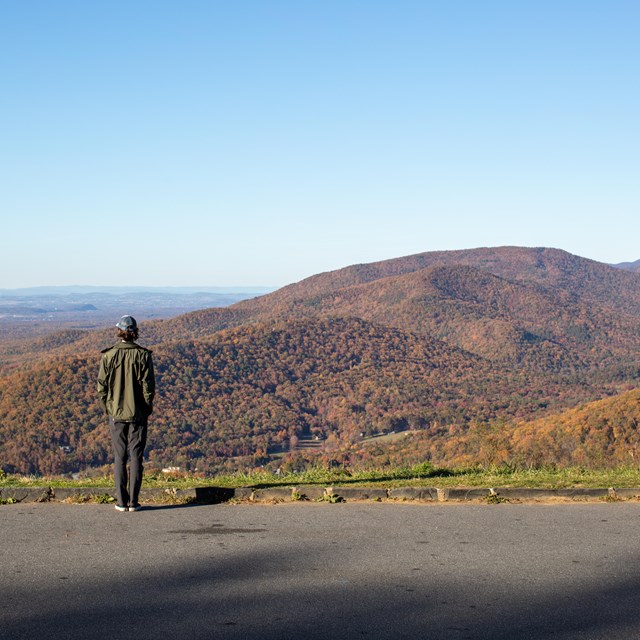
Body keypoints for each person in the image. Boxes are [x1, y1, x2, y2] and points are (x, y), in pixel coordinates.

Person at [97, 315, 155, 512]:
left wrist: (108, 408)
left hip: (116, 414)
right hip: (138, 413)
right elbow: (149, 387)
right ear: (135, 332)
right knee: (136, 456)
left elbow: (101, 387)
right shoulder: (143, 356)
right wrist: (147, 408)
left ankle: (121, 502)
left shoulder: (109, 355)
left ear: (119, 331)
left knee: (119, 457)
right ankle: (133, 502)